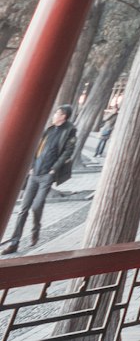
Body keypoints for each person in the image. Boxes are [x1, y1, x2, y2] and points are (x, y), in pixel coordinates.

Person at [1, 105, 77, 253]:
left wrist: (54, 169)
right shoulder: (49, 130)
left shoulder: (69, 132)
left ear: (64, 116)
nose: (54, 115)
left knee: (37, 206)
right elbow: (37, 148)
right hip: (34, 174)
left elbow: (68, 152)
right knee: (23, 209)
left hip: (47, 176)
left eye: (57, 113)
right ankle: (14, 243)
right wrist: (31, 165)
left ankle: (36, 229)